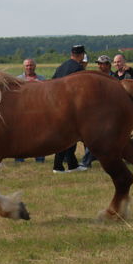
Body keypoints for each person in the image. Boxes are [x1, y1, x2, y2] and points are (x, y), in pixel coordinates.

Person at [51, 45, 87, 173]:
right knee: (67, 137)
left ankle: (72, 165)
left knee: (68, 137)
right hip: (70, 106)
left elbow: (52, 83)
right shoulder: (78, 68)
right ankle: (58, 166)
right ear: (82, 55)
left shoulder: (62, 66)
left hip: (57, 104)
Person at [16, 58, 46, 163]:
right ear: (24, 67)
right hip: (22, 112)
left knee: (40, 136)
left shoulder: (42, 79)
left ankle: (40, 158)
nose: (29, 67)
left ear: (35, 66)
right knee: (20, 136)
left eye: (31, 65)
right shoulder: (18, 79)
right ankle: (19, 158)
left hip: (38, 111)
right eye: (27, 65)